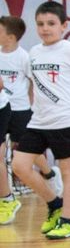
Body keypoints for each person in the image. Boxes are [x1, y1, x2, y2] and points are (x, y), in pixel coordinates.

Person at [11, 1, 70, 241]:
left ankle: (67, 221)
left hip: (66, 120)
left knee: (69, 170)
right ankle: (54, 203)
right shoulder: (33, 52)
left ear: (64, 25)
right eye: (40, 24)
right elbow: (33, 84)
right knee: (20, 165)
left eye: (51, 23)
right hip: (39, 121)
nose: (45, 28)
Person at [0, 15, 37, 225]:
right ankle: (7, 194)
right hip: (5, 107)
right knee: (5, 152)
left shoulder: (24, 57)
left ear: (11, 37)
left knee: (22, 147)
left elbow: (33, 81)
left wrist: (31, 103)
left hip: (20, 108)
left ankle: (49, 174)